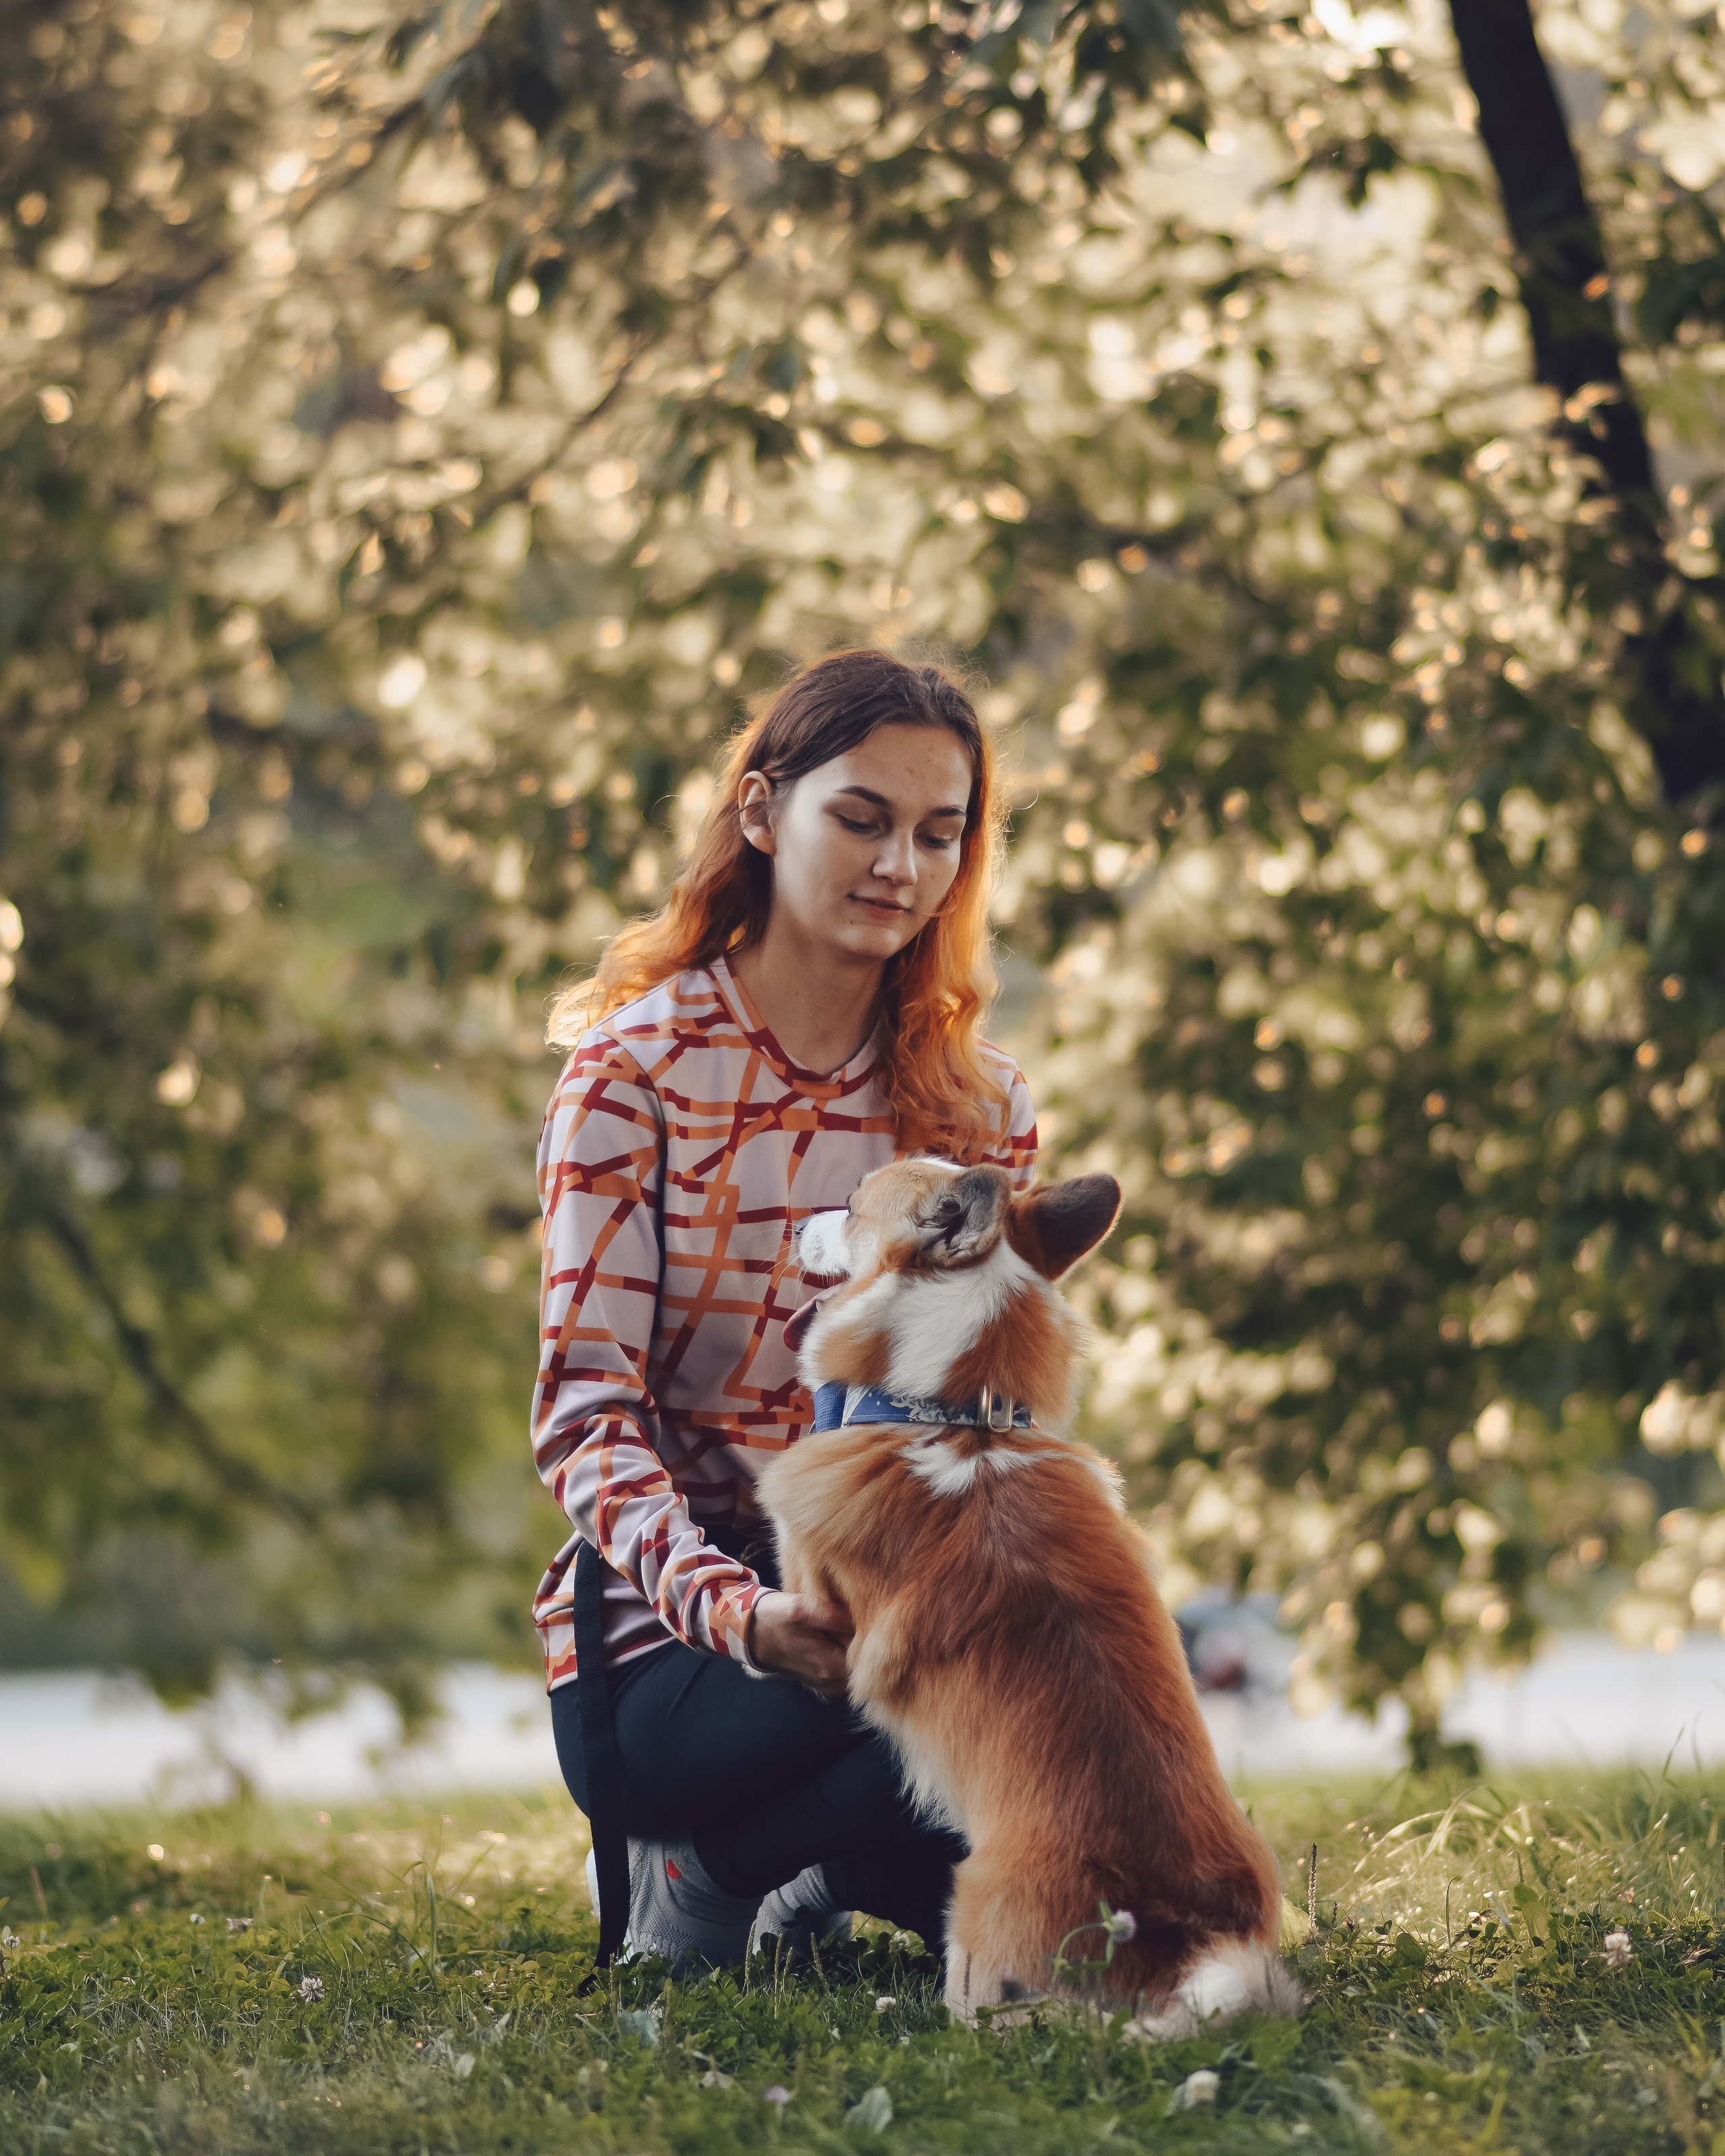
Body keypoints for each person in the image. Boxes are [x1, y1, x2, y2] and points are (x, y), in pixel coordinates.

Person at [532, 647, 1038, 1971]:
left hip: (899, 1609)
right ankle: (699, 1873)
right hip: (674, 1647)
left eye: (939, 833)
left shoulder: (983, 1110)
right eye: (860, 818)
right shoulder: (632, 1076)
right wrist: (741, 1615)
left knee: (1080, 1906)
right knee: (896, 1704)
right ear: (762, 812)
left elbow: (985, 1420)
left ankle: (805, 1867)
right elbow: (585, 1419)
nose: (899, 865)